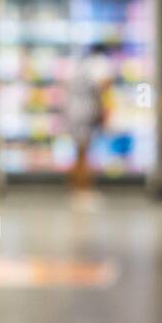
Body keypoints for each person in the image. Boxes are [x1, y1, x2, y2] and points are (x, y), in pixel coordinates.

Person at [67, 43, 115, 204]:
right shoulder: (99, 63)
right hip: (85, 112)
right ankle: (82, 191)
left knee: (80, 151)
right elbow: (104, 85)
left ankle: (78, 190)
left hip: (75, 110)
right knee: (84, 152)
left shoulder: (82, 64)